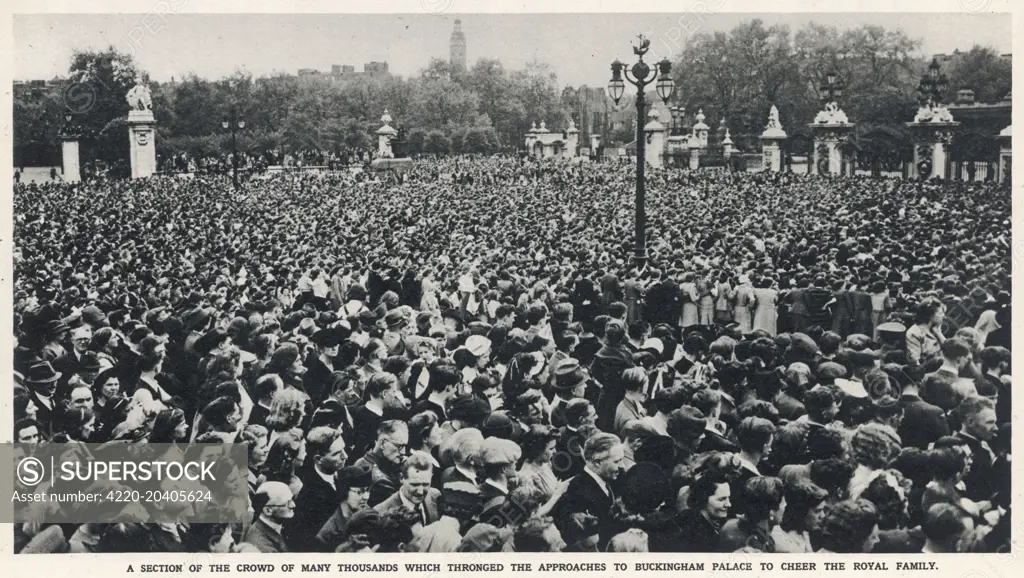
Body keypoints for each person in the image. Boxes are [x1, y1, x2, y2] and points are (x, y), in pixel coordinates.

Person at [244, 481, 296, 553]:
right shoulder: (263, 547)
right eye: (287, 503)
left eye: (292, 499)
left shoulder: (276, 524)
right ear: (268, 511)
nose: (293, 505)